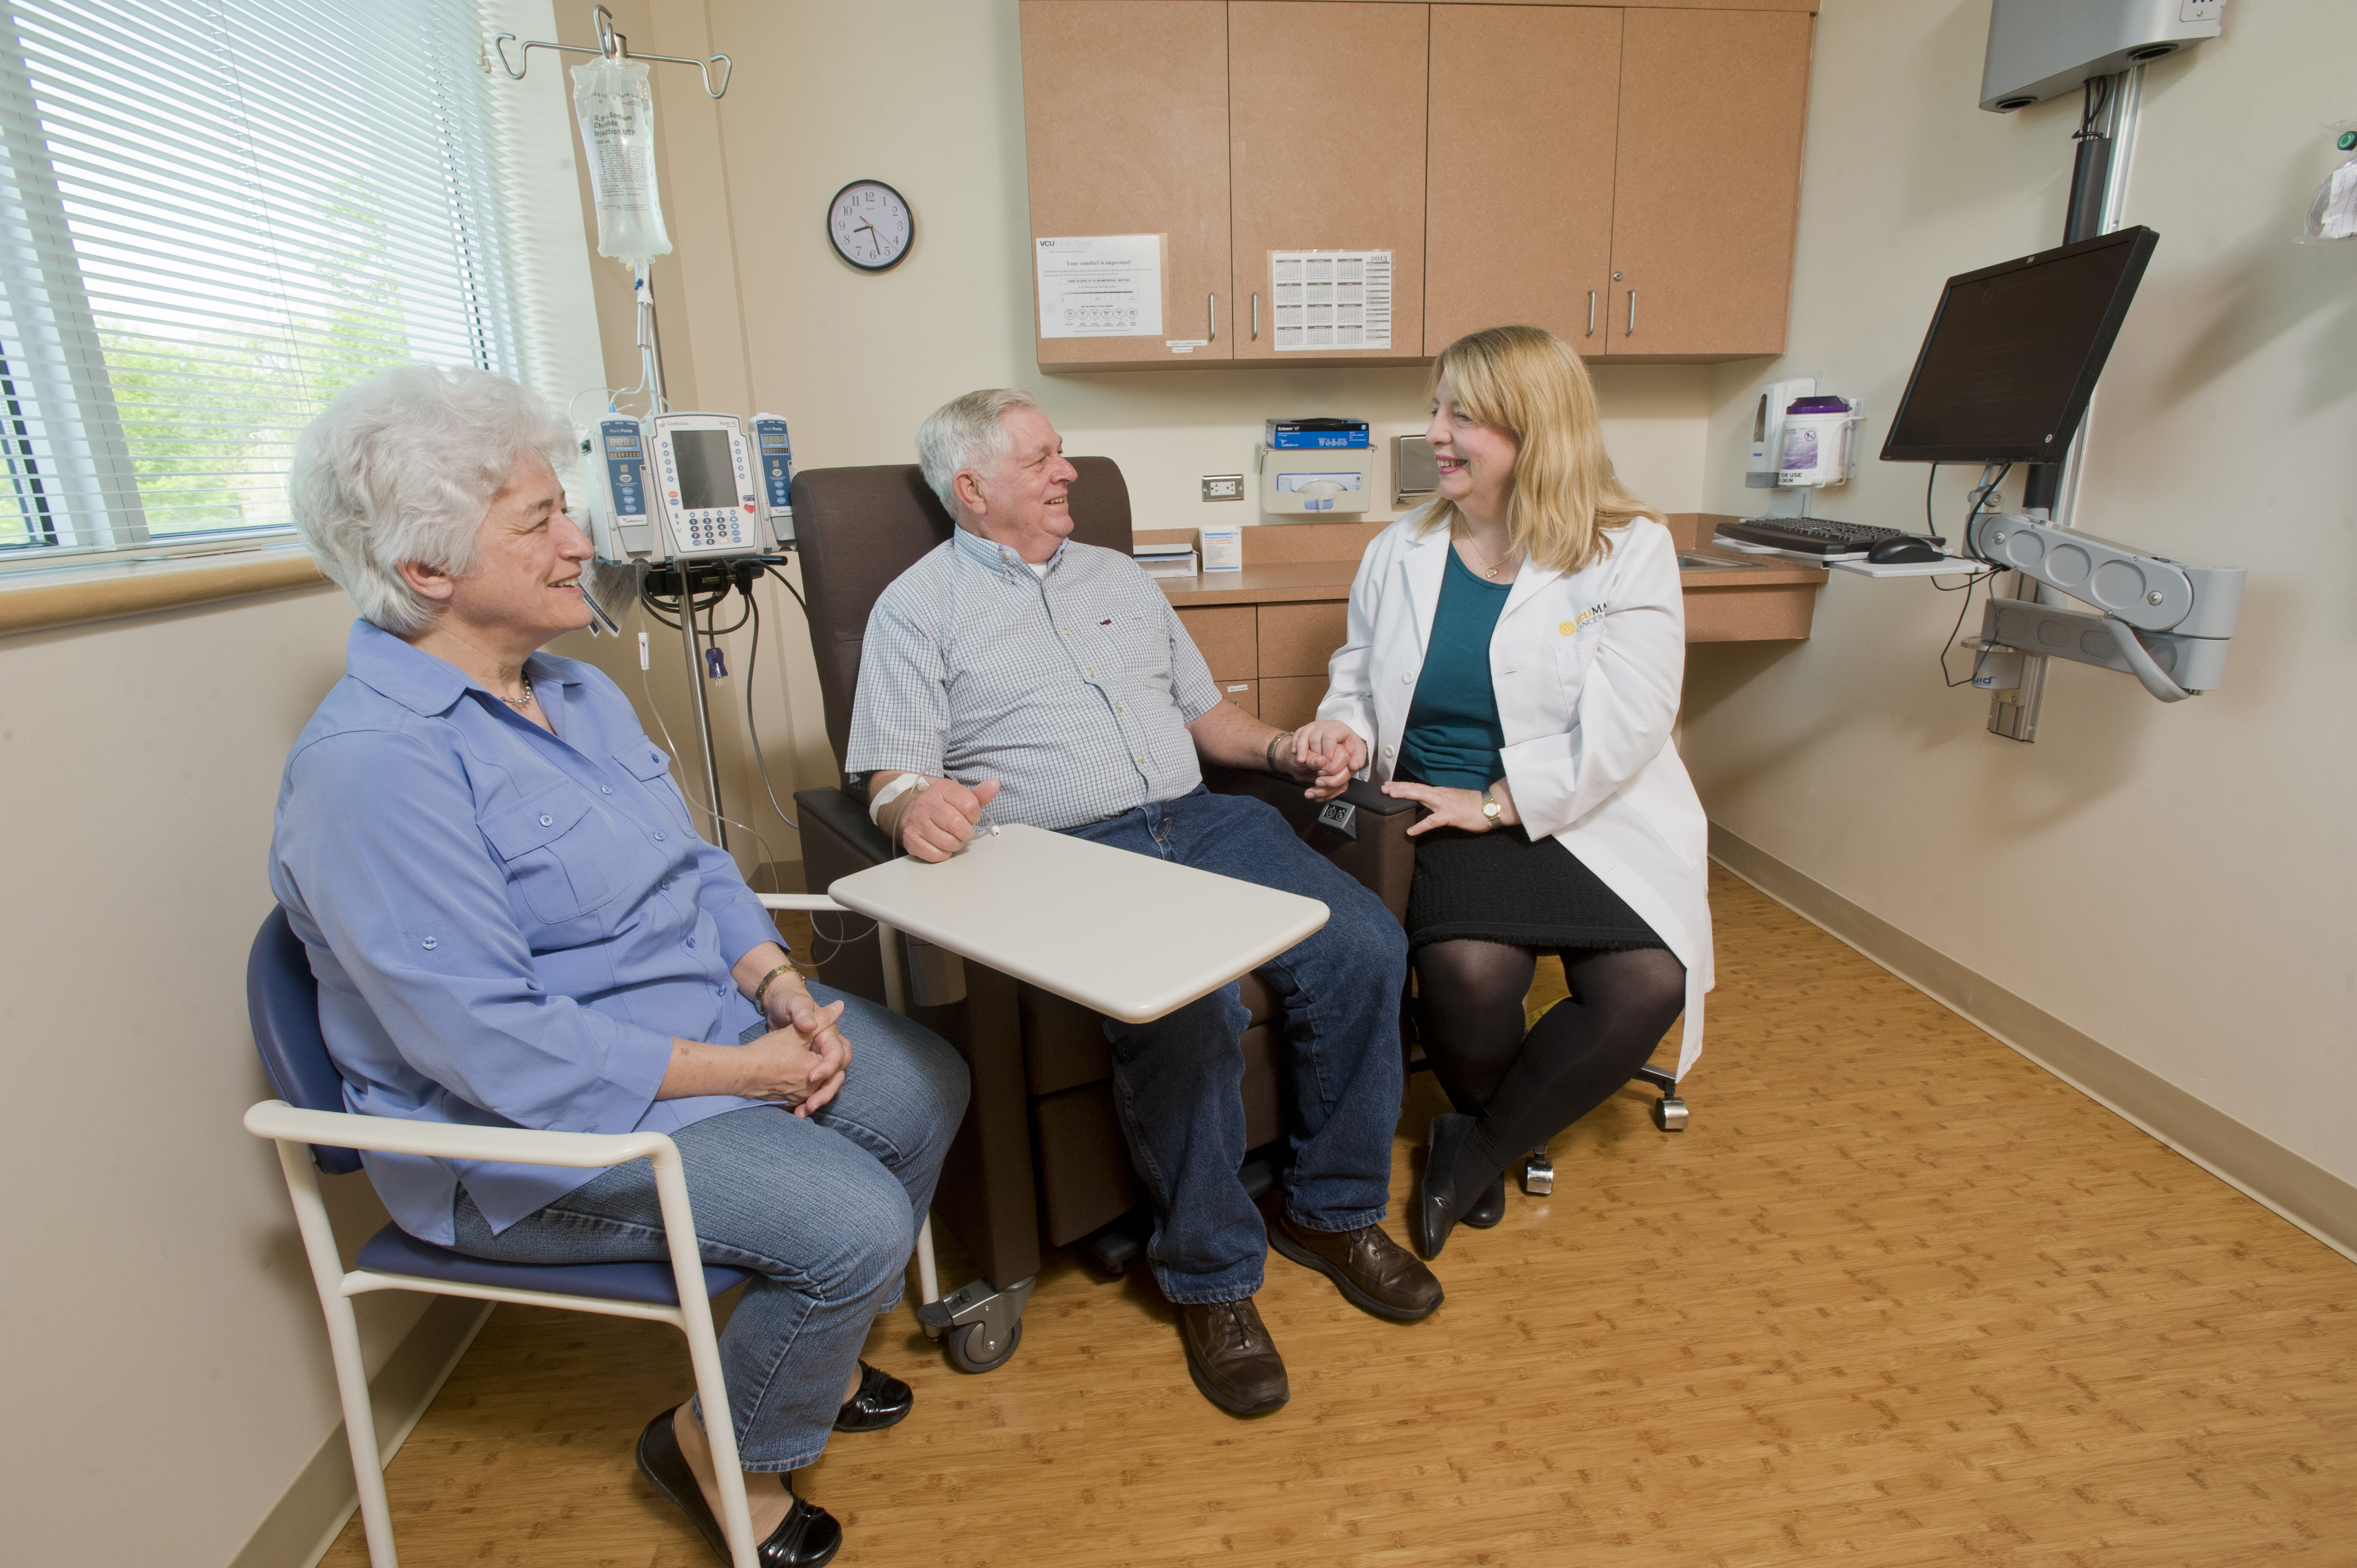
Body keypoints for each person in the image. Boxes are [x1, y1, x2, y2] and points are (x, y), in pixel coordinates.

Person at [270, 365, 968, 1568]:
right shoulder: (374, 771)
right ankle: (716, 1446)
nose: (578, 542)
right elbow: (495, 1048)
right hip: (529, 1137)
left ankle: (805, 1344)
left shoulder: (573, 692)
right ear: (429, 569)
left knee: (920, 1083)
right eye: (539, 521)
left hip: (699, 1031)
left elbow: (692, 867)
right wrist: (745, 1076)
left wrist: (777, 985)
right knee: (853, 1221)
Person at [843, 388, 1441, 1418]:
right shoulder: (916, 608)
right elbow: (888, 777)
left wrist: (1289, 748)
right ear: (974, 489)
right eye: (1043, 460)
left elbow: (1208, 719)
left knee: (1366, 947)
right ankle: (1211, 1276)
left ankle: (1332, 1212)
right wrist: (912, 808)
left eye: (1063, 454)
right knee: (1191, 1005)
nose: (1068, 472)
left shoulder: (1120, 578)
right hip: (1073, 857)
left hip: (1205, 823)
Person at [1294, 324, 1715, 1261]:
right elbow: (1360, 675)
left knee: (1650, 982)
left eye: (1463, 416)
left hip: (1596, 812)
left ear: (1536, 432)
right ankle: (1498, 1130)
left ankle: (1472, 1146)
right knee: (1471, 979)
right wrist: (1344, 729)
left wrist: (1506, 801)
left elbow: (1633, 721)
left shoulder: (1627, 550)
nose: (1435, 432)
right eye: (1437, 408)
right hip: (1444, 806)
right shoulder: (1400, 549)